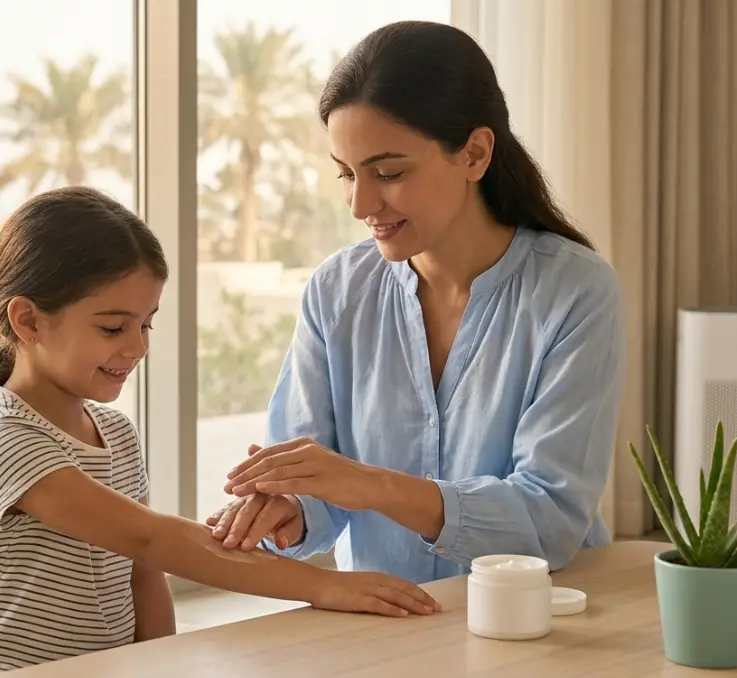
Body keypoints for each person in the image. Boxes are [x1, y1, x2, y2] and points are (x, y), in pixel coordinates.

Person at [0, 187, 439, 678]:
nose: (137, 348)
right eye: (112, 327)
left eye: (146, 324)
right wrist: (325, 586)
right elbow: (153, 538)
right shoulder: (5, 439)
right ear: (28, 321)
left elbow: (144, 576)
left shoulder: (115, 434)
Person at [206, 20, 625, 585]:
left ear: (475, 153)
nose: (360, 203)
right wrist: (292, 510)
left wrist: (369, 484)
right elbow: (317, 484)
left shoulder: (575, 292)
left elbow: (548, 521)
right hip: (387, 627)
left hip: (540, 621)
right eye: (346, 174)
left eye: (389, 172)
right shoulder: (336, 290)